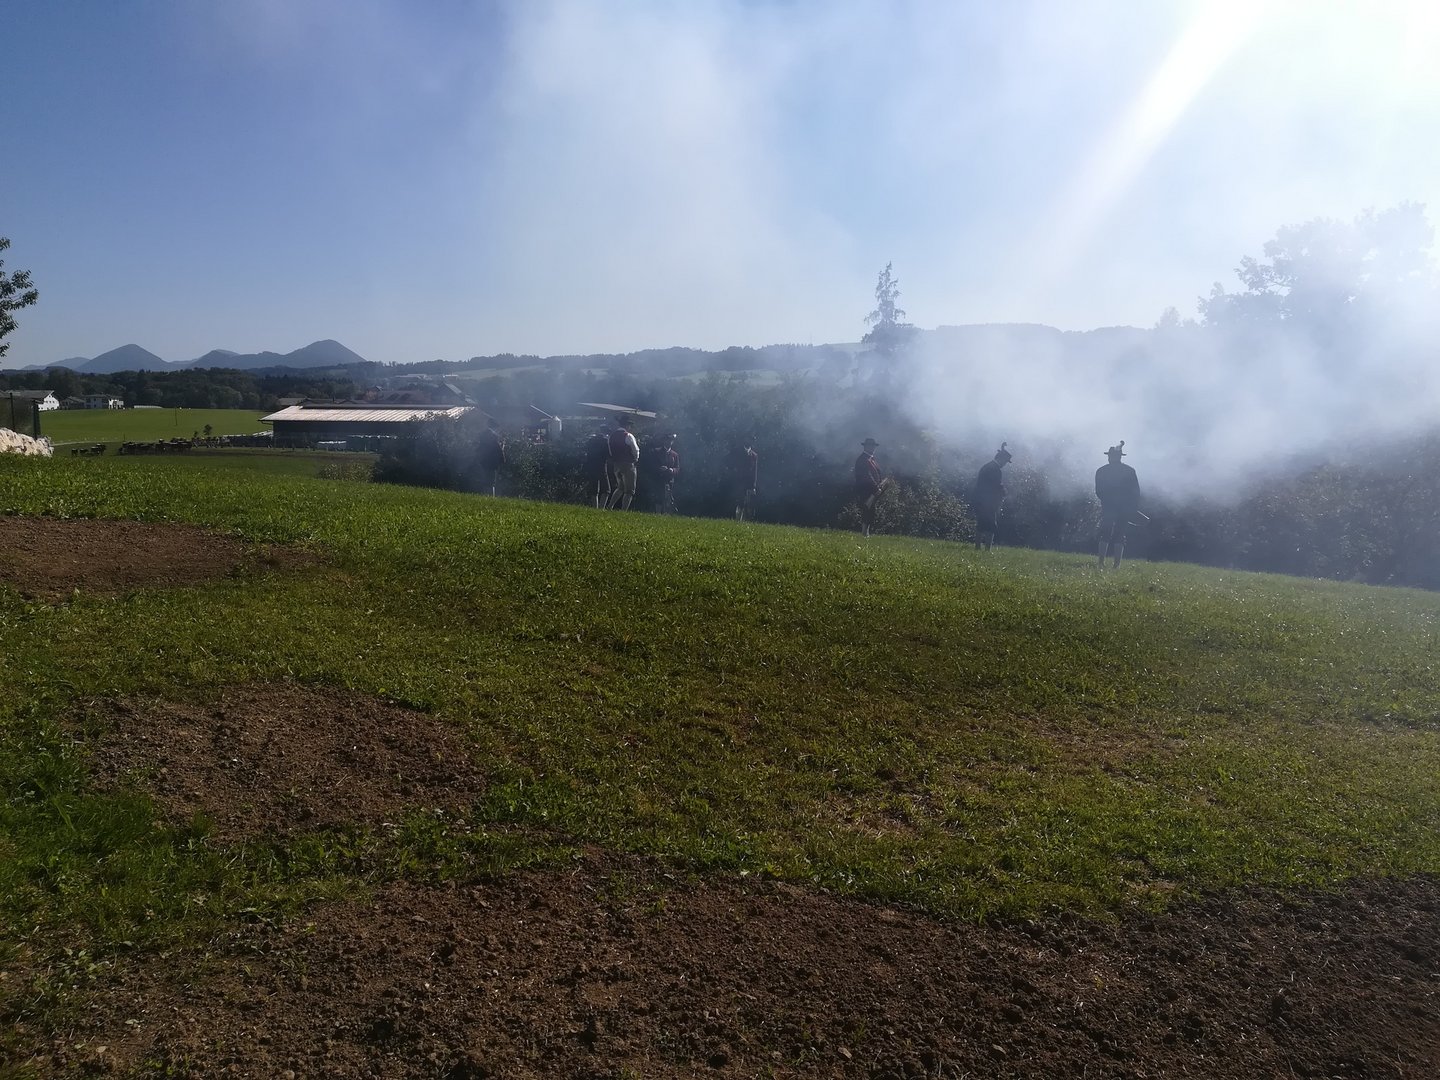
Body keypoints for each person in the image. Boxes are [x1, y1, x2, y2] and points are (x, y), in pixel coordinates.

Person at [1095, 440, 1141, 569]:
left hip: (1109, 506)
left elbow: (1099, 491)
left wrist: (1108, 501)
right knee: (1119, 534)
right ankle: (1116, 565)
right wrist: (1132, 506)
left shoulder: (1101, 471)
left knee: (1106, 533)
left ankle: (1102, 563)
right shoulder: (1129, 471)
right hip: (1123, 507)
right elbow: (1136, 492)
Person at [973, 441, 1012, 551]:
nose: (1005, 464)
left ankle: (977, 548)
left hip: (980, 500)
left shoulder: (987, 466)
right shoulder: (995, 469)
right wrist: (1003, 492)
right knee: (991, 526)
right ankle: (987, 550)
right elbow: (996, 485)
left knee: (981, 524)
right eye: (1005, 462)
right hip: (987, 501)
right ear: (1001, 458)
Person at [853, 437, 887, 537]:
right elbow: (866, 475)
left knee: (871, 511)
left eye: (873, 446)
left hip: (871, 489)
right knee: (867, 510)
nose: (872, 448)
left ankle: (866, 533)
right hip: (865, 488)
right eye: (870, 446)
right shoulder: (863, 459)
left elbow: (876, 473)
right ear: (865, 446)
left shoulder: (871, 459)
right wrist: (876, 487)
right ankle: (864, 533)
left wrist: (880, 484)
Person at [605, 416, 641, 510]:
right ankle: (623, 510)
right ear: (627, 425)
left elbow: (610, 452)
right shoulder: (628, 436)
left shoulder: (611, 436)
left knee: (620, 487)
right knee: (629, 490)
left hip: (616, 464)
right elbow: (635, 450)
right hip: (628, 464)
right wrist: (636, 459)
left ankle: (610, 506)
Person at [650, 433, 680, 513]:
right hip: (659, 478)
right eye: (667, 440)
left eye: (671, 440)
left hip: (670, 479)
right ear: (664, 441)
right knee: (659, 496)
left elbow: (677, 468)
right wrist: (660, 468)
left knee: (669, 497)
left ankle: (667, 513)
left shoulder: (675, 454)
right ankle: (658, 513)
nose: (669, 442)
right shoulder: (657, 451)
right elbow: (652, 465)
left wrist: (672, 470)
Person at [731, 439, 759, 522]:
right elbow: (736, 469)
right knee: (740, 502)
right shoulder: (738, 454)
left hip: (749, 483)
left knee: (749, 503)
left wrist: (754, 485)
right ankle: (738, 520)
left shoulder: (754, 455)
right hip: (740, 482)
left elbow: (755, 472)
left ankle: (746, 521)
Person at [477, 416, 505, 496]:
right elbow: (498, 449)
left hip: (484, 460)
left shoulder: (483, 435)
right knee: (491, 481)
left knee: (485, 479)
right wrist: (502, 458)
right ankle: (490, 497)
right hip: (492, 462)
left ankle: (485, 495)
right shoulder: (494, 436)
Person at [583, 431, 612, 509]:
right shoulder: (605, 441)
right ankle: (601, 508)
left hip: (591, 466)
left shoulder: (591, 440)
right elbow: (609, 454)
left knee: (594, 488)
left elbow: (586, 452)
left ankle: (595, 507)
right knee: (606, 489)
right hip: (602, 466)